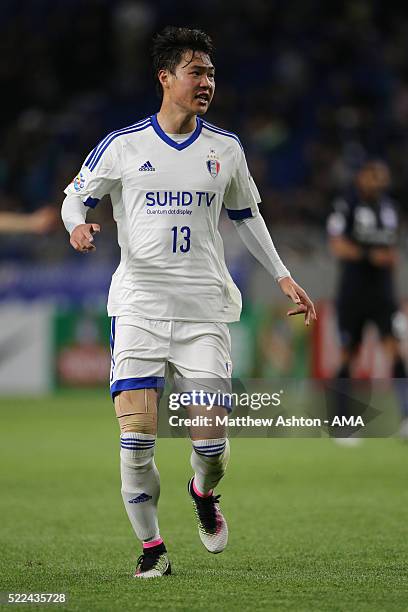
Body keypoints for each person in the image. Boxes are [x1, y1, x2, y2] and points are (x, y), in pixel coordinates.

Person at [61, 26, 316, 578]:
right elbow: (74, 198)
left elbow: (248, 217)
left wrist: (282, 276)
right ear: (166, 77)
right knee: (135, 442)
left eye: (212, 74)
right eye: (196, 72)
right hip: (139, 310)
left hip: (204, 311)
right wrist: (78, 226)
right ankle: (153, 549)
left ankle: (202, 493)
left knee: (213, 446)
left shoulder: (225, 149)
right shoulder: (123, 146)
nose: (207, 82)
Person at [327, 159, 408, 440]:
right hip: (353, 293)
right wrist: (369, 256)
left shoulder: (389, 209)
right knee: (349, 354)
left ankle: (406, 419)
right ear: (362, 177)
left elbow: (392, 249)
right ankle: (341, 424)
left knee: (395, 350)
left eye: (383, 177)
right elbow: (337, 245)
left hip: (383, 295)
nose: (380, 182)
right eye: (375, 176)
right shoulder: (346, 205)